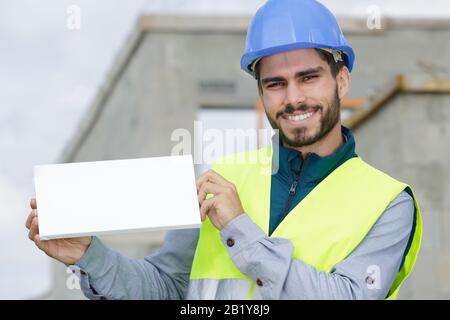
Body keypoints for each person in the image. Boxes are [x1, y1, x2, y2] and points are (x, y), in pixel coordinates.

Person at [26, 0, 422, 300]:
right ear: (261, 93)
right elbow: (164, 288)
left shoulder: (387, 204)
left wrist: (240, 231)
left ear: (342, 80)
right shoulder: (220, 178)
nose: (294, 98)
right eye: (276, 84)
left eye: (309, 77)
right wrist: (89, 255)